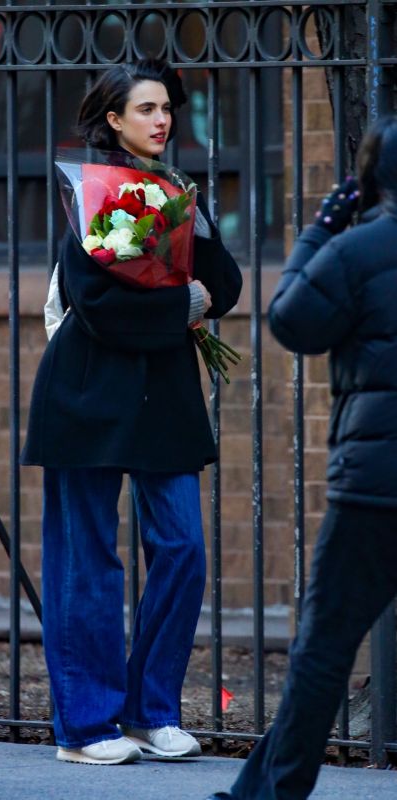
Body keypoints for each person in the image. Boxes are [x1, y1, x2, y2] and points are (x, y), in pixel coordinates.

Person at [21, 60, 243, 766]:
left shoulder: (176, 190)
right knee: (88, 563)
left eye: (165, 108)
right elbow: (102, 306)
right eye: (144, 109)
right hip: (87, 394)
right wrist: (182, 305)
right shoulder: (94, 194)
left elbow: (227, 282)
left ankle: (151, 710)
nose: (161, 119)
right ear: (113, 120)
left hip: (163, 399)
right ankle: (85, 727)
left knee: (181, 550)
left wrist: (192, 235)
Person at [205, 115, 397, 799]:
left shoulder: (356, 252)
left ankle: (271, 794)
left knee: (324, 646)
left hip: (374, 488)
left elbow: (290, 319)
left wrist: (319, 231)